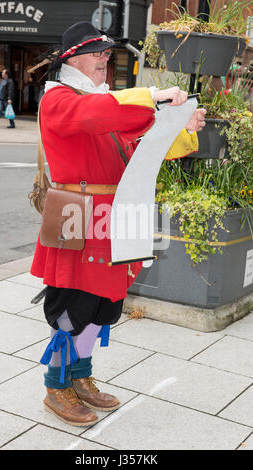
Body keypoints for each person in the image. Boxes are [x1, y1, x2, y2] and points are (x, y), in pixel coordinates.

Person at [30, 21, 206, 427]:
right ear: (72, 58)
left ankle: (79, 375)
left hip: (112, 217)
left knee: (102, 305)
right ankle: (56, 385)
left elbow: (135, 144)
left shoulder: (102, 100)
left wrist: (180, 129)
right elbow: (94, 116)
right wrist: (152, 96)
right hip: (75, 213)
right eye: (98, 54)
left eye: (108, 55)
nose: (105, 61)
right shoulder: (59, 98)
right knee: (71, 309)